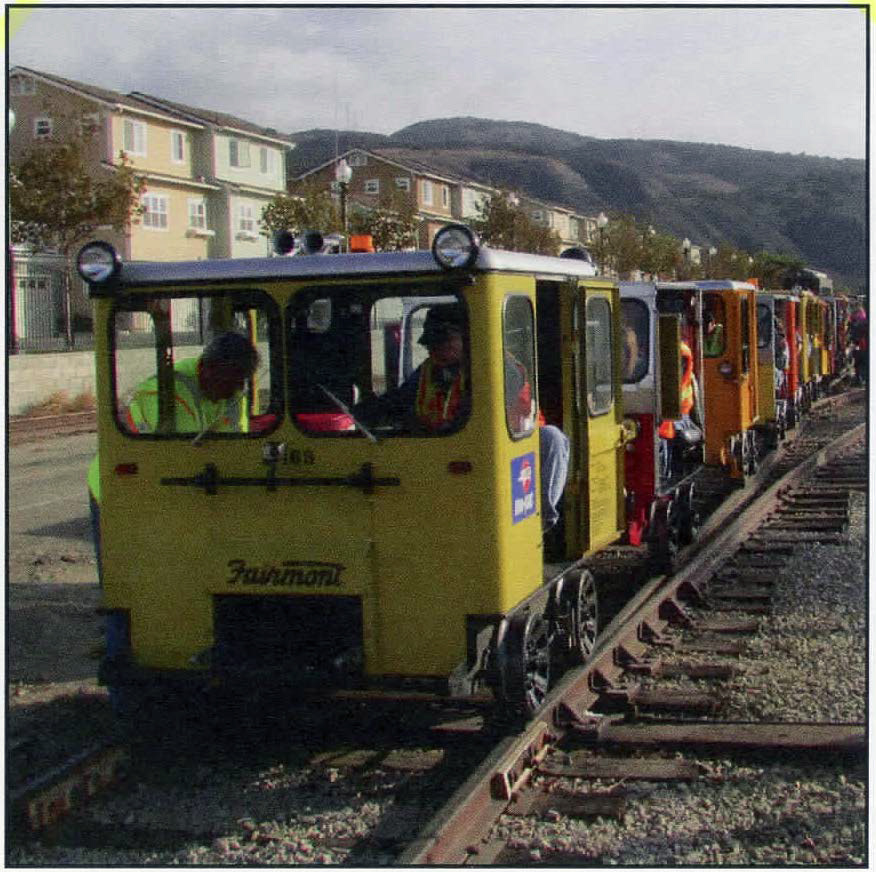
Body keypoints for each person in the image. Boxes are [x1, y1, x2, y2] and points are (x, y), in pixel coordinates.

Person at [357, 305, 569, 531]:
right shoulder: (428, 371)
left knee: (552, 438)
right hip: (444, 453)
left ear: (468, 338)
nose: (434, 349)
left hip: (506, 455)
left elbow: (477, 417)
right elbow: (395, 402)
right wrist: (356, 415)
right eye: (431, 344)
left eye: (443, 342)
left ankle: (540, 522)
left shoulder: (502, 368)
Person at [87, 331, 260, 577]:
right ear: (208, 371)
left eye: (241, 381)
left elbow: (234, 448)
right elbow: (185, 459)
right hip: (119, 487)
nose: (237, 389)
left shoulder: (231, 392)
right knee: (125, 579)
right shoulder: (167, 393)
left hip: (158, 487)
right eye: (231, 381)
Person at [658, 340, 698, 481]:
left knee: (666, 430)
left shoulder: (680, 353)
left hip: (679, 415)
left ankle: (667, 472)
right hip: (673, 414)